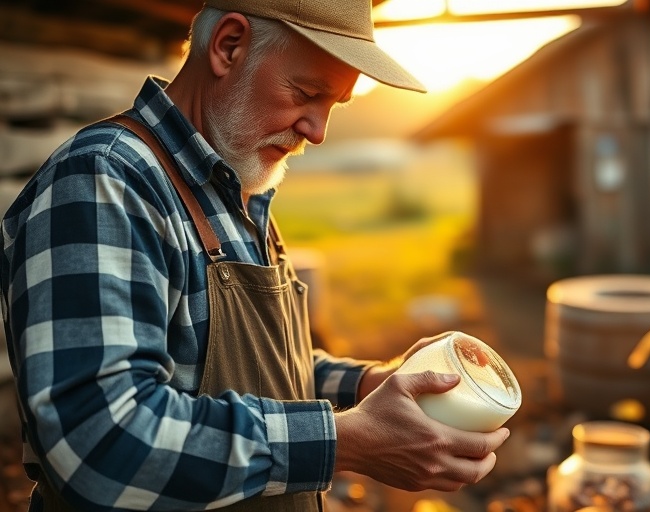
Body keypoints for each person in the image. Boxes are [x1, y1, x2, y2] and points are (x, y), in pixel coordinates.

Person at [0, 1, 511, 510]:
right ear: (228, 45)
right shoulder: (105, 181)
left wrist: (369, 383)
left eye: (335, 105)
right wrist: (345, 440)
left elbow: (258, 369)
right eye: (308, 93)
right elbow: (100, 441)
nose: (318, 130)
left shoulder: (237, 194)